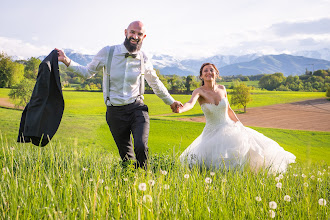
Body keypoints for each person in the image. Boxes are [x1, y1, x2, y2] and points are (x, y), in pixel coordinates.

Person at [56, 21, 182, 169]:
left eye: (139, 34)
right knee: (127, 158)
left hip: (137, 108)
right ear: (125, 32)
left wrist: (171, 101)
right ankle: (130, 183)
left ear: (144, 36)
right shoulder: (108, 52)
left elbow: (155, 82)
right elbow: (87, 72)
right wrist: (66, 60)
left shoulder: (143, 58)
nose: (135, 36)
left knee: (141, 147)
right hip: (115, 112)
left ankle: (145, 179)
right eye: (132, 32)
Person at [175, 63, 295, 173]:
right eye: (205, 71)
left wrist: (239, 124)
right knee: (209, 162)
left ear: (216, 74)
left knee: (248, 152)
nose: (209, 72)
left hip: (229, 128)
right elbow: (190, 104)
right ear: (201, 76)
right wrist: (180, 109)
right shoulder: (199, 91)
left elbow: (229, 110)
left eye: (211, 70)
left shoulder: (222, 89)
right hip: (211, 131)